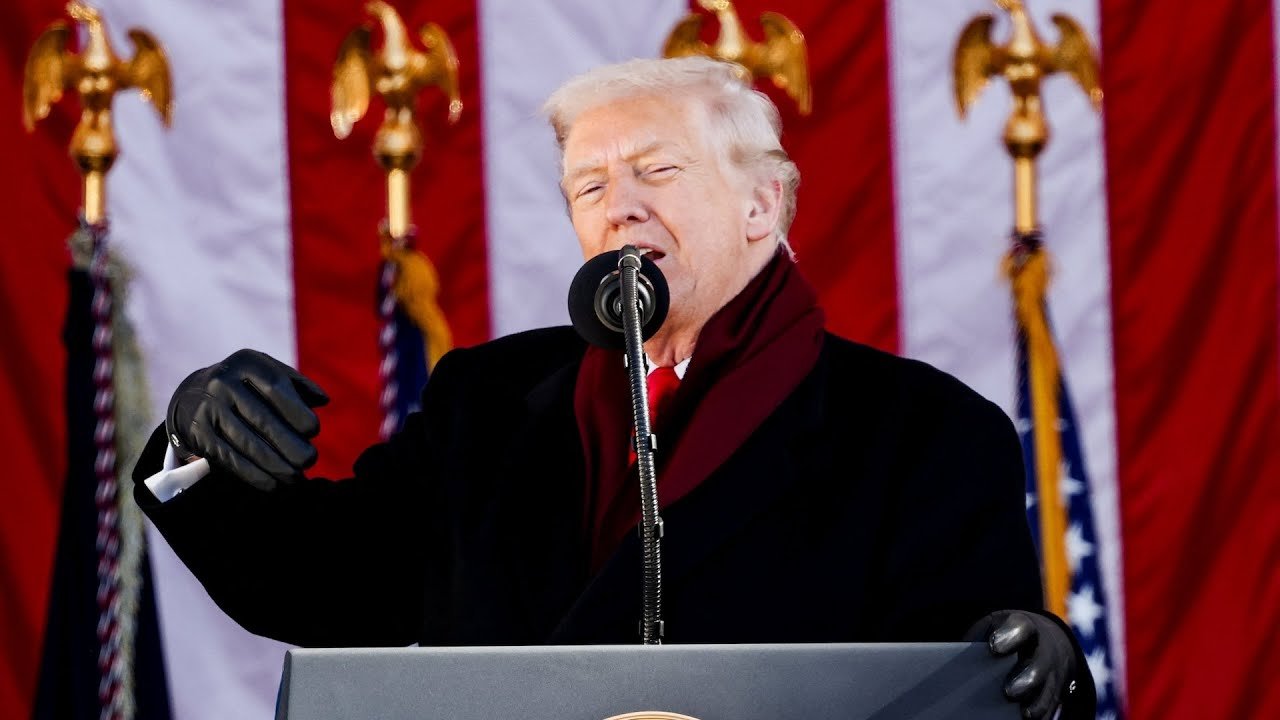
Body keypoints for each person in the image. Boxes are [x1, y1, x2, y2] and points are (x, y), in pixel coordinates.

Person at [134, 57, 1095, 719]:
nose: (618, 203)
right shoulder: (487, 401)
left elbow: (968, 669)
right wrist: (193, 449)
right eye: (587, 187)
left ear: (763, 205)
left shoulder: (924, 432)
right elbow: (332, 592)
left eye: (656, 170)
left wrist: (1021, 654)